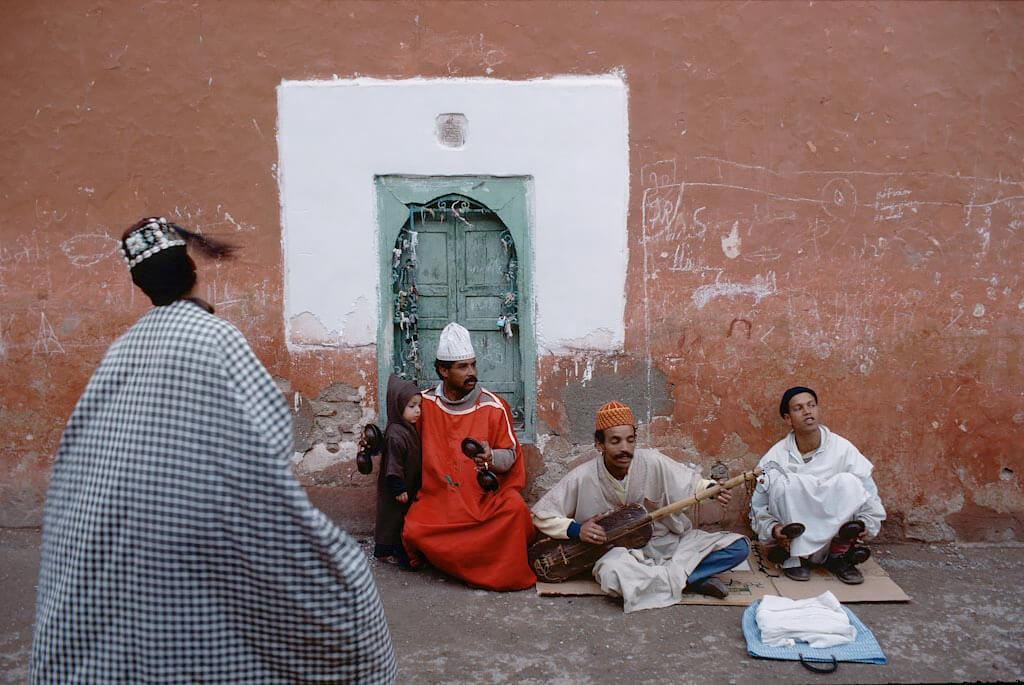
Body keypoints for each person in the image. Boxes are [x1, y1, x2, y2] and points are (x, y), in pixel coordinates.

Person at [30, 217, 396, 683]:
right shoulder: (216, 338)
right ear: (190, 272)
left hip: (114, 546)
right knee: (340, 586)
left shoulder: (122, 352)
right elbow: (265, 438)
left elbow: (80, 454)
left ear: (142, 286)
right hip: (194, 530)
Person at [531, 401, 750, 613]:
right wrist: (578, 530)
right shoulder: (582, 476)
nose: (625, 449)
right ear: (600, 444)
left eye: (630, 440)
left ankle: (672, 580)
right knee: (612, 575)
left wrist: (711, 489)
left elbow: (691, 483)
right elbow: (541, 515)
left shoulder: (652, 461)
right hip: (618, 554)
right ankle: (690, 578)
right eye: (615, 441)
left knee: (739, 547)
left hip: (664, 543)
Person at [401, 322, 536, 591]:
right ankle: (470, 558)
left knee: (515, 511)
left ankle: (457, 560)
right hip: (441, 500)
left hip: (483, 501)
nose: (472, 372)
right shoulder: (424, 404)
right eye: (463, 367)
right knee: (413, 529)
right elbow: (402, 438)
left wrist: (490, 457)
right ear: (443, 370)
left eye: (473, 365)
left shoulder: (493, 406)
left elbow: (510, 457)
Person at [750, 386, 886, 585]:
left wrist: (867, 523)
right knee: (785, 483)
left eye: (811, 405)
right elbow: (758, 503)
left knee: (849, 482)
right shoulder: (776, 457)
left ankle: (840, 556)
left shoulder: (842, 449)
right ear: (788, 419)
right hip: (795, 537)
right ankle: (795, 558)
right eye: (799, 408)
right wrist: (773, 529)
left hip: (835, 536)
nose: (807, 411)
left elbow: (868, 490)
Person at [374, 373, 422, 567]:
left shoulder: (408, 428)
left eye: (419, 406)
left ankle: (399, 550)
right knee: (391, 520)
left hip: (407, 484)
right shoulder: (395, 434)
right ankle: (386, 552)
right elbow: (393, 464)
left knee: (401, 519)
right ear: (397, 405)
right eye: (411, 406)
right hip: (395, 489)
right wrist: (398, 487)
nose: (418, 411)